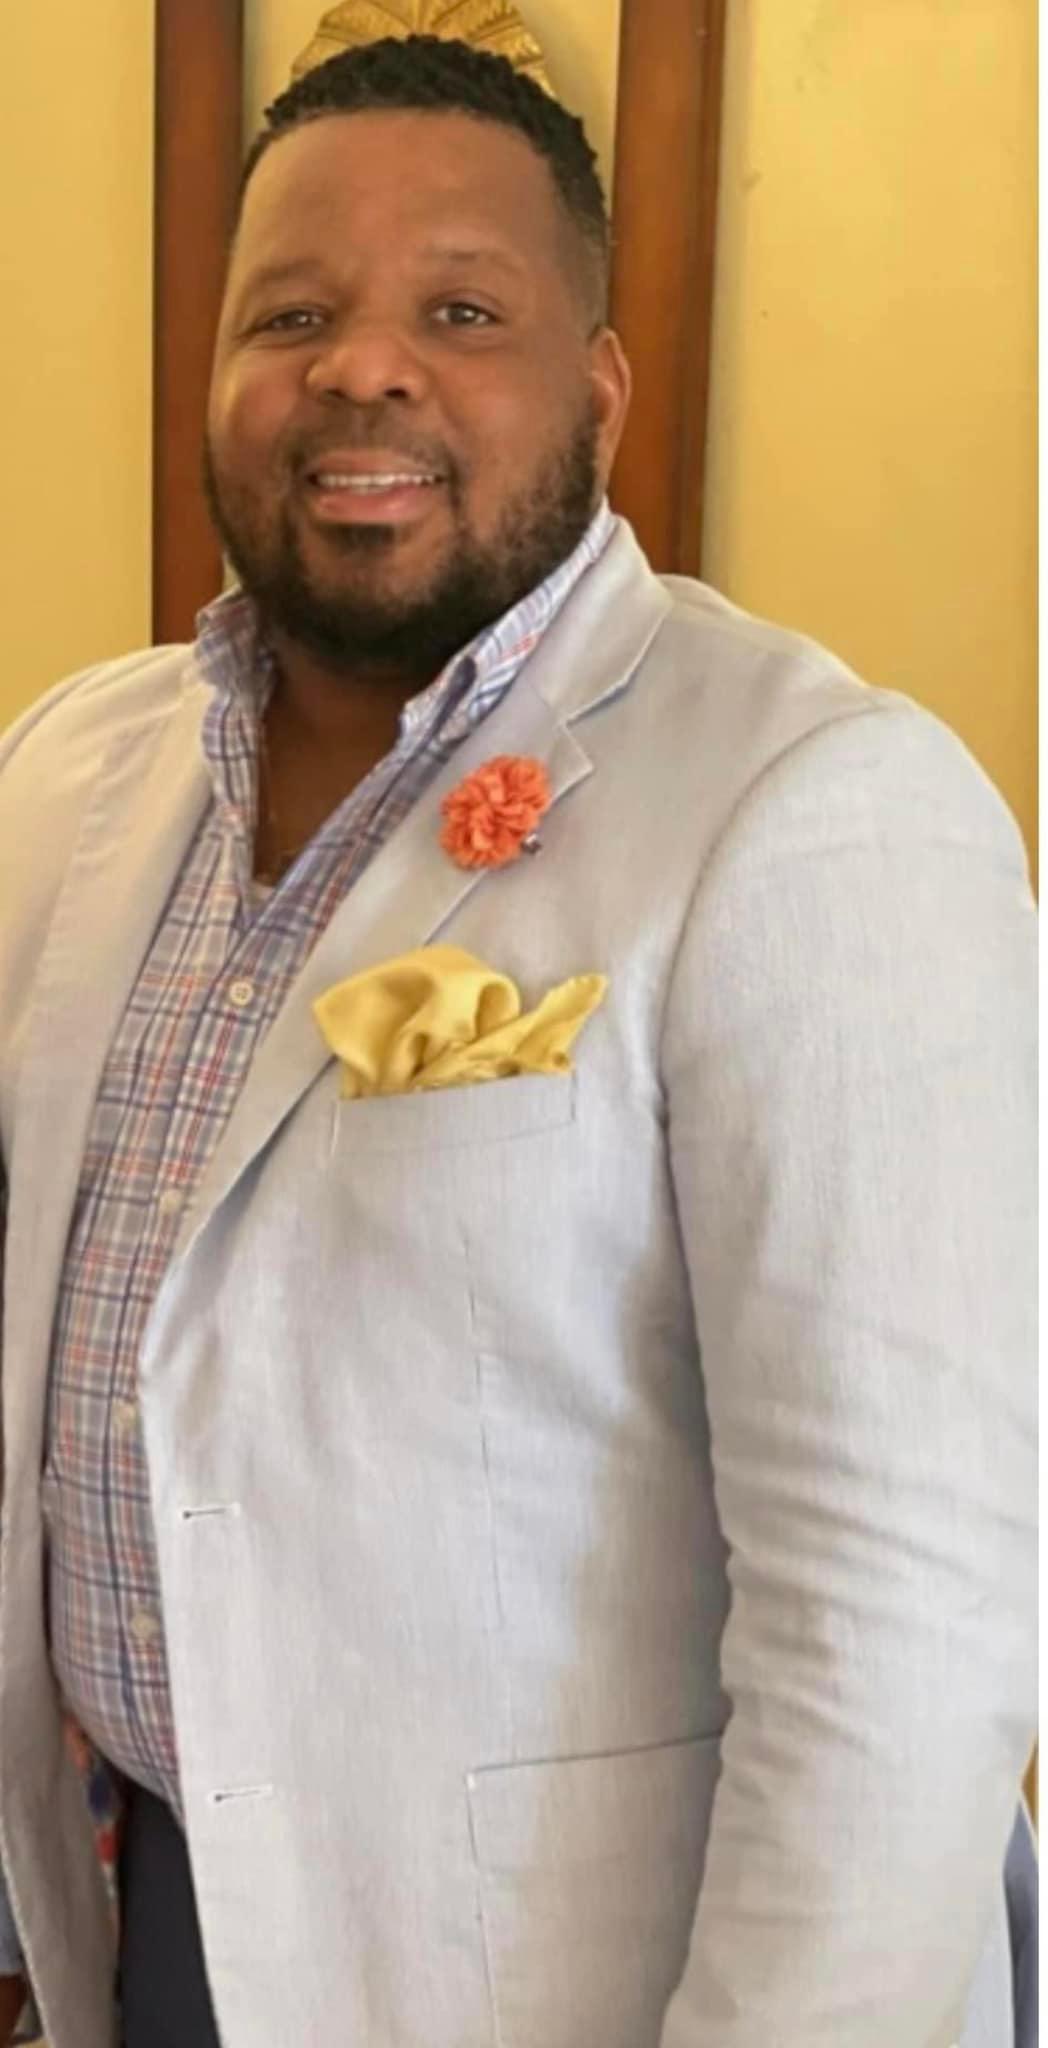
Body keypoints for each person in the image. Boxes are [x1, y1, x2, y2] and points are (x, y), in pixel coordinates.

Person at [0, 33, 1036, 2048]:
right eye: (289, 315)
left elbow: (901, 1628)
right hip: (155, 1928)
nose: (362, 370)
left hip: (570, 1989)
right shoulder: (69, 777)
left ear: (599, 388)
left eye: (461, 312)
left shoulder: (810, 804)